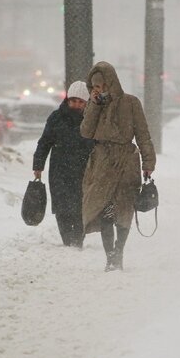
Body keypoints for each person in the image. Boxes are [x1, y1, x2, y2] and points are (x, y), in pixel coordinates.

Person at [80, 61, 156, 272]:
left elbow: (143, 134)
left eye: (102, 85)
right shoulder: (94, 105)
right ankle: (110, 256)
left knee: (124, 209)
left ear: (110, 82)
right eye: (94, 86)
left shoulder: (131, 103)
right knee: (105, 209)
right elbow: (85, 132)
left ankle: (119, 250)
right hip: (102, 163)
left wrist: (148, 163)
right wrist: (94, 105)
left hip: (126, 162)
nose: (99, 90)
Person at [33, 80, 94, 248]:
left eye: (80, 101)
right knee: (62, 206)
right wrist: (38, 165)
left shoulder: (91, 120)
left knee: (80, 206)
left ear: (86, 102)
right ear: (67, 99)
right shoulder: (56, 118)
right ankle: (67, 241)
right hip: (60, 170)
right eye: (73, 100)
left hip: (84, 170)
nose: (76, 105)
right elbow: (45, 142)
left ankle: (78, 240)